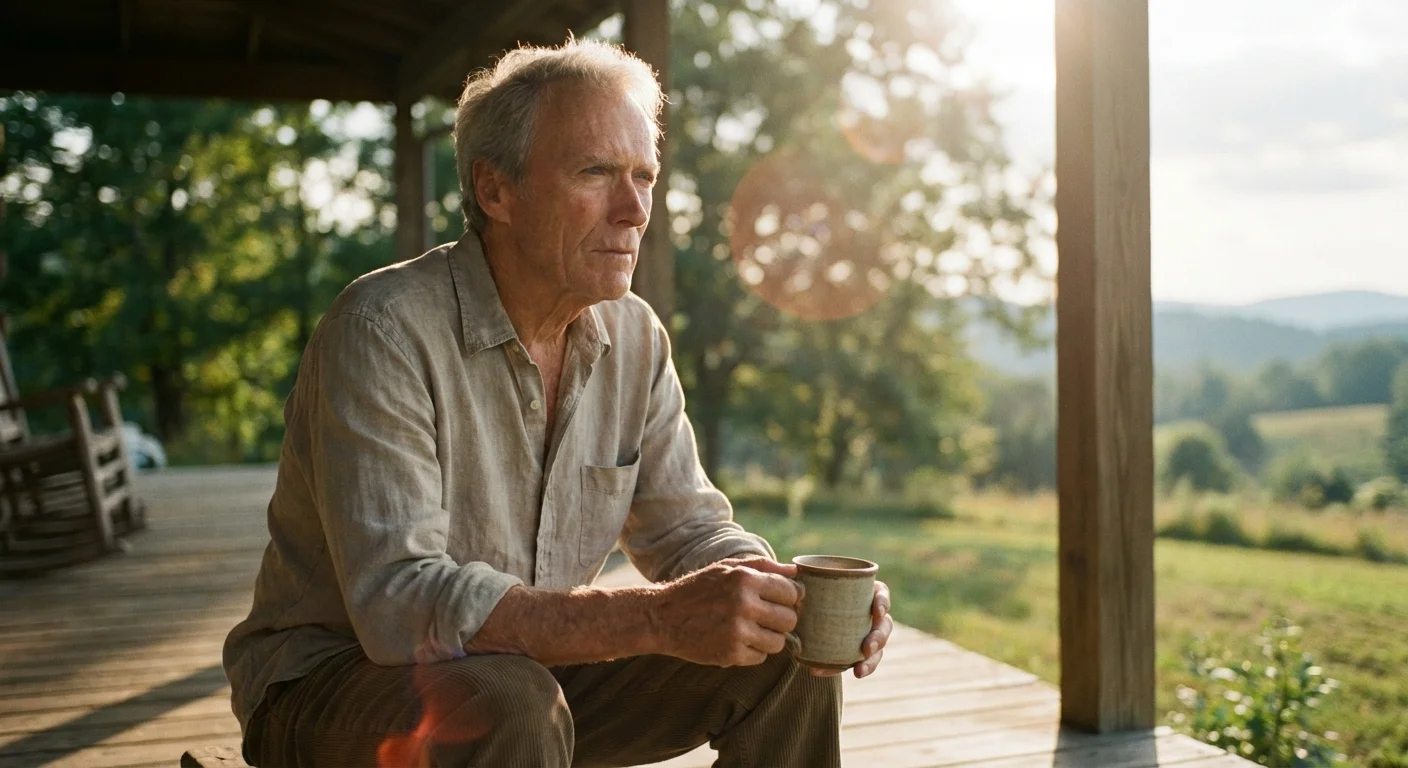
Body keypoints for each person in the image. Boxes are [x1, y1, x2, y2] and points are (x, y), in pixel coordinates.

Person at [223, 38, 892, 767]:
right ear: (495, 191)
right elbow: (397, 603)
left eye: (644, 175)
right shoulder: (380, 329)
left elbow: (688, 530)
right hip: (330, 683)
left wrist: (774, 595)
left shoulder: (634, 334)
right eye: (596, 172)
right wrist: (657, 618)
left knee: (781, 659)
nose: (635, 210)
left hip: (530, 673)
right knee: (506, 701)